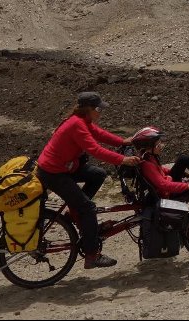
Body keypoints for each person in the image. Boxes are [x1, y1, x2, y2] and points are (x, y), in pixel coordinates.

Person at [36, 92, 140, 269]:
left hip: (63, 166)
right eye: (98, 109)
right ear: (89, 109)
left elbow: (99, 134)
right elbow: (95, 149)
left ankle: (74, 211)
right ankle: (92, 255)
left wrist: (122, 141)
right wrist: (122, 159)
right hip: (53, 173)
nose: (101, 112)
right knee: (89, 208)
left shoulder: (81, 120)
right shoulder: (76, 125)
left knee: (98, 174)